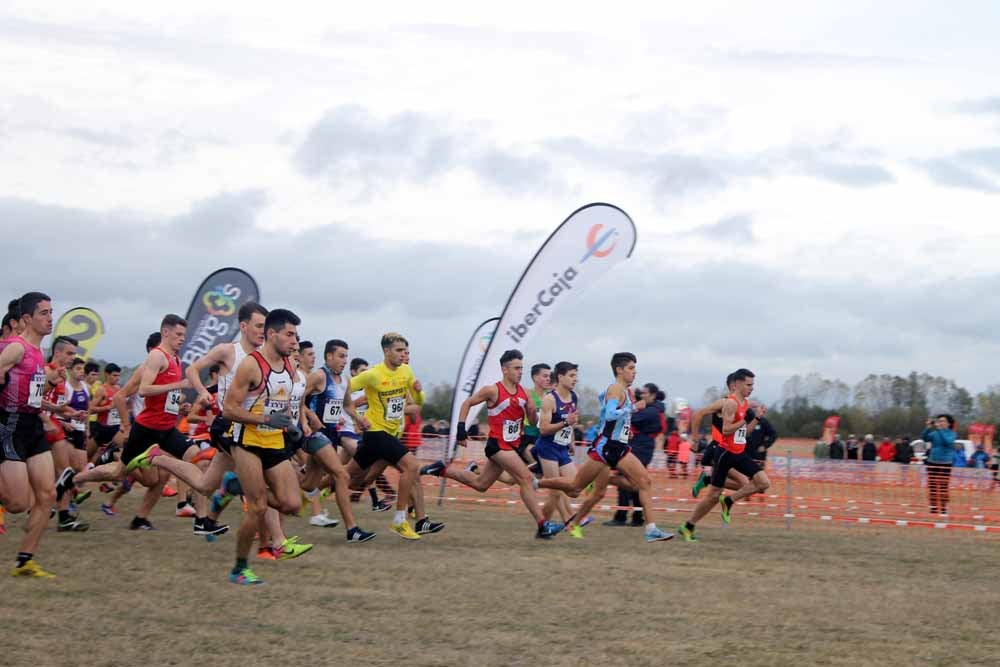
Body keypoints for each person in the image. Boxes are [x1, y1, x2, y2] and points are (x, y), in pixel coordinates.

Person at [537, 352, 674, 543]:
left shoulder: (622, 391)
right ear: (619, 370)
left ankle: (542, 489)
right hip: (609, 446)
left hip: (615, 445)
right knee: (642, 482)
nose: (635, 372)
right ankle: (650, 529)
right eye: (631, 368)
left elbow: (607, 407)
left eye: (635, 368)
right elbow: (610, 414)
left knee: (580, 487)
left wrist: (626, 428)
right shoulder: (616, 389)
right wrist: (633, 409)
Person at [420, 349, 556, 539]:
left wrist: (532, 411)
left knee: (480, 484)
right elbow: (467, 403)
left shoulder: (524, 393)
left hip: (512, 446)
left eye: (521, 368)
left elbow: (533, 423)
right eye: (516, 368)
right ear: (505, 369)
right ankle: (543, 525)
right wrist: (461, 428)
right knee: (525, 478)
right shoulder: (493, 390)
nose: (520, 372)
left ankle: (441, 469)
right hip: (497, 445)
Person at [222, 308, 308, 585]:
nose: (295, 342)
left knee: (292, 504)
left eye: (296, 335)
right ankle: (239, 569)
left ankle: (237, 487)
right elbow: (229, 409)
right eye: (290, 335)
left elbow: (281, 405)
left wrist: (290, 427)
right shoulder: (251, 365)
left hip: (274, 441)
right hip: (246, 441)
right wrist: (266, 419)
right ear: (272, 334)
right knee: (258, 506)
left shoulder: (291, 367)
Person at [0, 292, 78, 577]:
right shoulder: (16, 348)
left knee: (46, 495)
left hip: (32, 426)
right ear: (27, 319)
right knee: (19, 503)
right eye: (43, 313)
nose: (50, 318)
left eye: (51, 312)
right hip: (9, 426)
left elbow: (28, 395)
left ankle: (25, 561)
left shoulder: (38, 354)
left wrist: (55, 403)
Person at [346, 333, 443, 539]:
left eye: (405, 351)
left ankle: (310, 489)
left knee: (351, 477)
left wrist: (418, 392)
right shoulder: (373, 374)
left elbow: (418, 403)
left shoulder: (406, 371)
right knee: (412, 467)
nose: (403, 355)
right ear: (386, 351)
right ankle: (401, 520)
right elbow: (343, 389)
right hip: (376, 433)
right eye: (399, 351)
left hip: (391, 434)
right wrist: (354, 417)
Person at [678, 369, 771, 542]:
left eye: (753, 385)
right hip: (725, 453)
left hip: (739, 453)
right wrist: (696, 440)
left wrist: (756, 418)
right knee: (713, 495)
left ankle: (729, 501)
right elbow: (726, 430)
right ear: (737, 384)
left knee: (763, 483)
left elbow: (745, 433)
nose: (752, 388)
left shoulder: (745, 404)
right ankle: (688, 526)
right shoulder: (730, 403)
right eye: (749, 385)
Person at [531, 361, 581, 532]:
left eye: (576, 376)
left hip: (562, 448)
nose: (575, 379)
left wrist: (571, 440)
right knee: (556, 492)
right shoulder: (549, 400)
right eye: (571, 376)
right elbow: (543, 429)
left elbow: (571, 421)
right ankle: (543, 528)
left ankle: (537, 482)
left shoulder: (574, 397)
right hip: (547, 447)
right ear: (560, 377)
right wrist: (566, 421)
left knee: (575, 489)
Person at [606, 382, 662, 527]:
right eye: (641, 392)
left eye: (645, 393)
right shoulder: (652, 409)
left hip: (640, 449)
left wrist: (629, 409)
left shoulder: (652, 411)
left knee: (625, 480)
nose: (642, 395)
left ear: (653, 395)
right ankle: (637, 517)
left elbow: (632, 418)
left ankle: (622, 516)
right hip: (639, 447)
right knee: (637, 481)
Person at [922, 414, 956, 515]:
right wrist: (928, 427)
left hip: (945, 463)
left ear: (948, 423)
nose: (940, 423)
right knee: (932, 485)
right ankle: (933, 508)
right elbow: (925, 438)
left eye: (943, 421)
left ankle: (944, 508)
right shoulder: (935, 433)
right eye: (939, 421)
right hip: (932, 461)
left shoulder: (952, 434)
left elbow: (947, 442)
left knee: (943, 486)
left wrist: (939, 430)